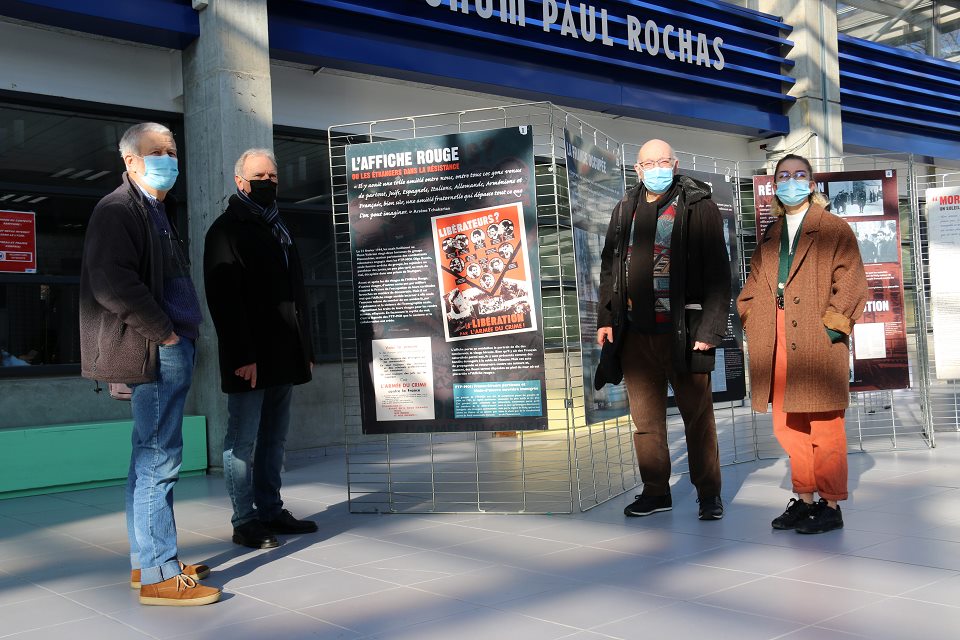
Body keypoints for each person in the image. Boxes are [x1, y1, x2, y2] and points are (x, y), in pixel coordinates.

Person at [79, 123, 220, 606]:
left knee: (148, 460)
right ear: (130, 162)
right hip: (157, 347)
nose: (167, 158)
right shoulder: (118, 209)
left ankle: (148, 562)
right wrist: (163, 333)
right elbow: (111, 284)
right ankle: (161, 574)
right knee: (159, 460)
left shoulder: (154, 208)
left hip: (168, 344)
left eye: (171, 150)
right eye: (155, 152)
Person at [596, 139, 730, 521]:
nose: (655, 168)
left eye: (662, 161)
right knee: (646, 423)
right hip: (635, 334)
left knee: (698, 418)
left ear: (674, 163)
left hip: (684, 332)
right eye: (647, 163)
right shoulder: (625, 208)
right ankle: (656, 491)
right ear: (637, 169)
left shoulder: (698, 205)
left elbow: (719, 272)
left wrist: (710, 328)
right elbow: (610, 266)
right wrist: (606, 318)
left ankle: (709, 495)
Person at [737, 154, 868, 534]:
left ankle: (830, 504)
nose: (790, 181)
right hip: (775, 336)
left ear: (812, 184)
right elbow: (755, 284)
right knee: (787, 423)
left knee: (825, 426)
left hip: (817, 335)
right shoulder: (772, 232)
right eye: (783, 176)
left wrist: (831, 330)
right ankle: (804, 498)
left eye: (799, 175)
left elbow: (852, 283)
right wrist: (750, 315)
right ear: (774, 185)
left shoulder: (833, 227)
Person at [204, 148, 318, 549]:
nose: (267, 182)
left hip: (284, 354)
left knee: (275, 439)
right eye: (259, 176)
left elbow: (296, 294)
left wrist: (305, 346)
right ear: (240, 181)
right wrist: (242, 356)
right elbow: (224, 301)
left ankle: (271, 510)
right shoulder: (226, 231)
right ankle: (245, 520)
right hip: (250, 357)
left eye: (272, 176)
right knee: (243, 441)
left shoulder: (278, 227)